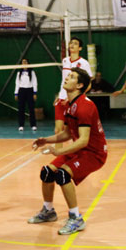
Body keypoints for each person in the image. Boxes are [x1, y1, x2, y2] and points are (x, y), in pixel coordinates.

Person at [28, 68, 108, 235]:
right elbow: (68, 133)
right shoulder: (69, 105)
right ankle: (48, 211)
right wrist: (46, 140)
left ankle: (76, 218)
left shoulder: (85, 106)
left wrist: (57, 152)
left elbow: (83, 140)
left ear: (79, 85)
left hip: (94, 153)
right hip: (80, 149)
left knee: (63, 175)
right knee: (47, 173)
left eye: (72, 77)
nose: (67, 78)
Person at [54, 38, 93, 138]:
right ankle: (59, 153)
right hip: (62, 99)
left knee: (74, 131)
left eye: (75, 44)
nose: (72, 45)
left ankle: (75, 151)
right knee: (58, 130)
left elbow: (89, 84)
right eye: (71, 43)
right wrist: (59, 95)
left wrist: (77, 97)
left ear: (80, 48)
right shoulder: (65, 60)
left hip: (73, 101)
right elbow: (63, 81)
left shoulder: (84, 63)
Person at [15, 58, 38, 132]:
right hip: (21, 91)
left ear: (28, 63)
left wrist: (35, 92)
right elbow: (17, 83)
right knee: (21, 108)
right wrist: (16, 93)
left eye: (25, 62)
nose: (24, 63)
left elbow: (35, 82)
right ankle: (21, 125)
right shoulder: (19, 73)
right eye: (23, 62)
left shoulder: (32, 72)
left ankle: (33, 125)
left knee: (31, 108)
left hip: (30, 90)